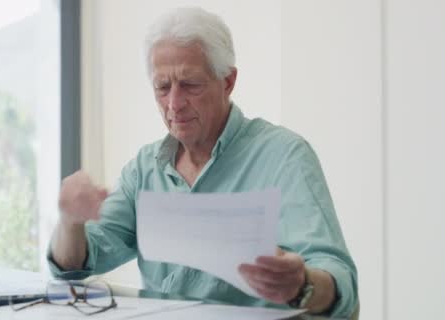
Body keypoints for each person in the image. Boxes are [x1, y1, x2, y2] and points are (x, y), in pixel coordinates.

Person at [47, 7, 358, 318]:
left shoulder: (284, 156)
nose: (174, 104)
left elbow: (340, 281)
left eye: (190, 85)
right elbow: (73, 266)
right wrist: (70, 222)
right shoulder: (145, 168)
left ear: (228, 81)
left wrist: (302, 285)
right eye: (162, 87)